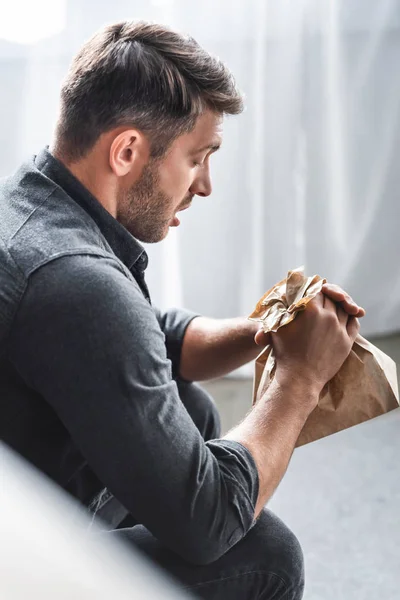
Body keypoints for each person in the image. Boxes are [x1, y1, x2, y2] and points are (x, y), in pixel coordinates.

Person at [0, 21, 364, 600]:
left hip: (23, 490)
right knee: (265, 552)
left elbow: (145, 337)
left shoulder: (33, 201)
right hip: (20, 556)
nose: (206, 185)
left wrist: (267, 331)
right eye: (198, 159)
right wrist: (300, 378)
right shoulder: (77, 283)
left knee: (189, 407)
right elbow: (210, 520)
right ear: (126, 151)